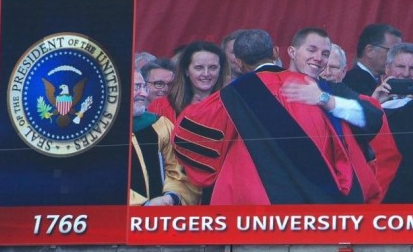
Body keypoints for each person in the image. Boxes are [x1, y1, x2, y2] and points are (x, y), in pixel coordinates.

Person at [172, 29, 382, 205]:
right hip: (317, 206)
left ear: (237, 61)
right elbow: (372, 117)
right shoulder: (324, 90)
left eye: (324, 53)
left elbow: (187, 135)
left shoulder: (233, 95)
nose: (318, 58)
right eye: (311, 50)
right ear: (277, 52)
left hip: (254, 209)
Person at [371, 43, 413, 203]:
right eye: (400, 66)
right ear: (387, 68)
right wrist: (373, 106)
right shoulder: (372, 101)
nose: (406, 74)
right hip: (381, 190)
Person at [130, 70, 200, 206]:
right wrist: (143, 205)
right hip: (115, 219)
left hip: (160, 220)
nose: (144, 93)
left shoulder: (159, 124)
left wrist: (171, 197)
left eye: (144, 87)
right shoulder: (98, 133)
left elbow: (179, 170)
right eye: (137, 87)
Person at [149, 41, 226, 124]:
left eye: (213, 67)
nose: (206, 74)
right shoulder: (161, 106)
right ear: (186, 70)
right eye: (199, 68)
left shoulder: (230, 106)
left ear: (220, 70)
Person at [343, 23, 402, 95]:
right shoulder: (353, 83)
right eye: (392, 52)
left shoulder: (372, 82)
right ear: (369, 51)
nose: (397, 58)